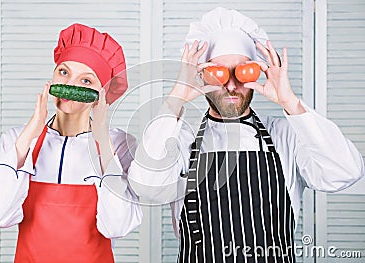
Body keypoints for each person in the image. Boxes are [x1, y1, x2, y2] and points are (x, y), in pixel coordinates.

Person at [127, 7, 365, 262]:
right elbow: (146, 188)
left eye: (242, 72)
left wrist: (291, 102)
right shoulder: (182, 139)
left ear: (255, 72)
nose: (231, 85)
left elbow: (345, 172)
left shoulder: (285, 135)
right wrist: (177, 97)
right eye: (218, 72)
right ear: (202, 76)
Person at [0, 23, 142, 262]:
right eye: (64, 72)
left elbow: (117, 226)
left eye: (86, 81)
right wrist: (31, 131)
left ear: (102, 93)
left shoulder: (119, 145)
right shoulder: (17, 140)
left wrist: (103, 140)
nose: (71, 85)